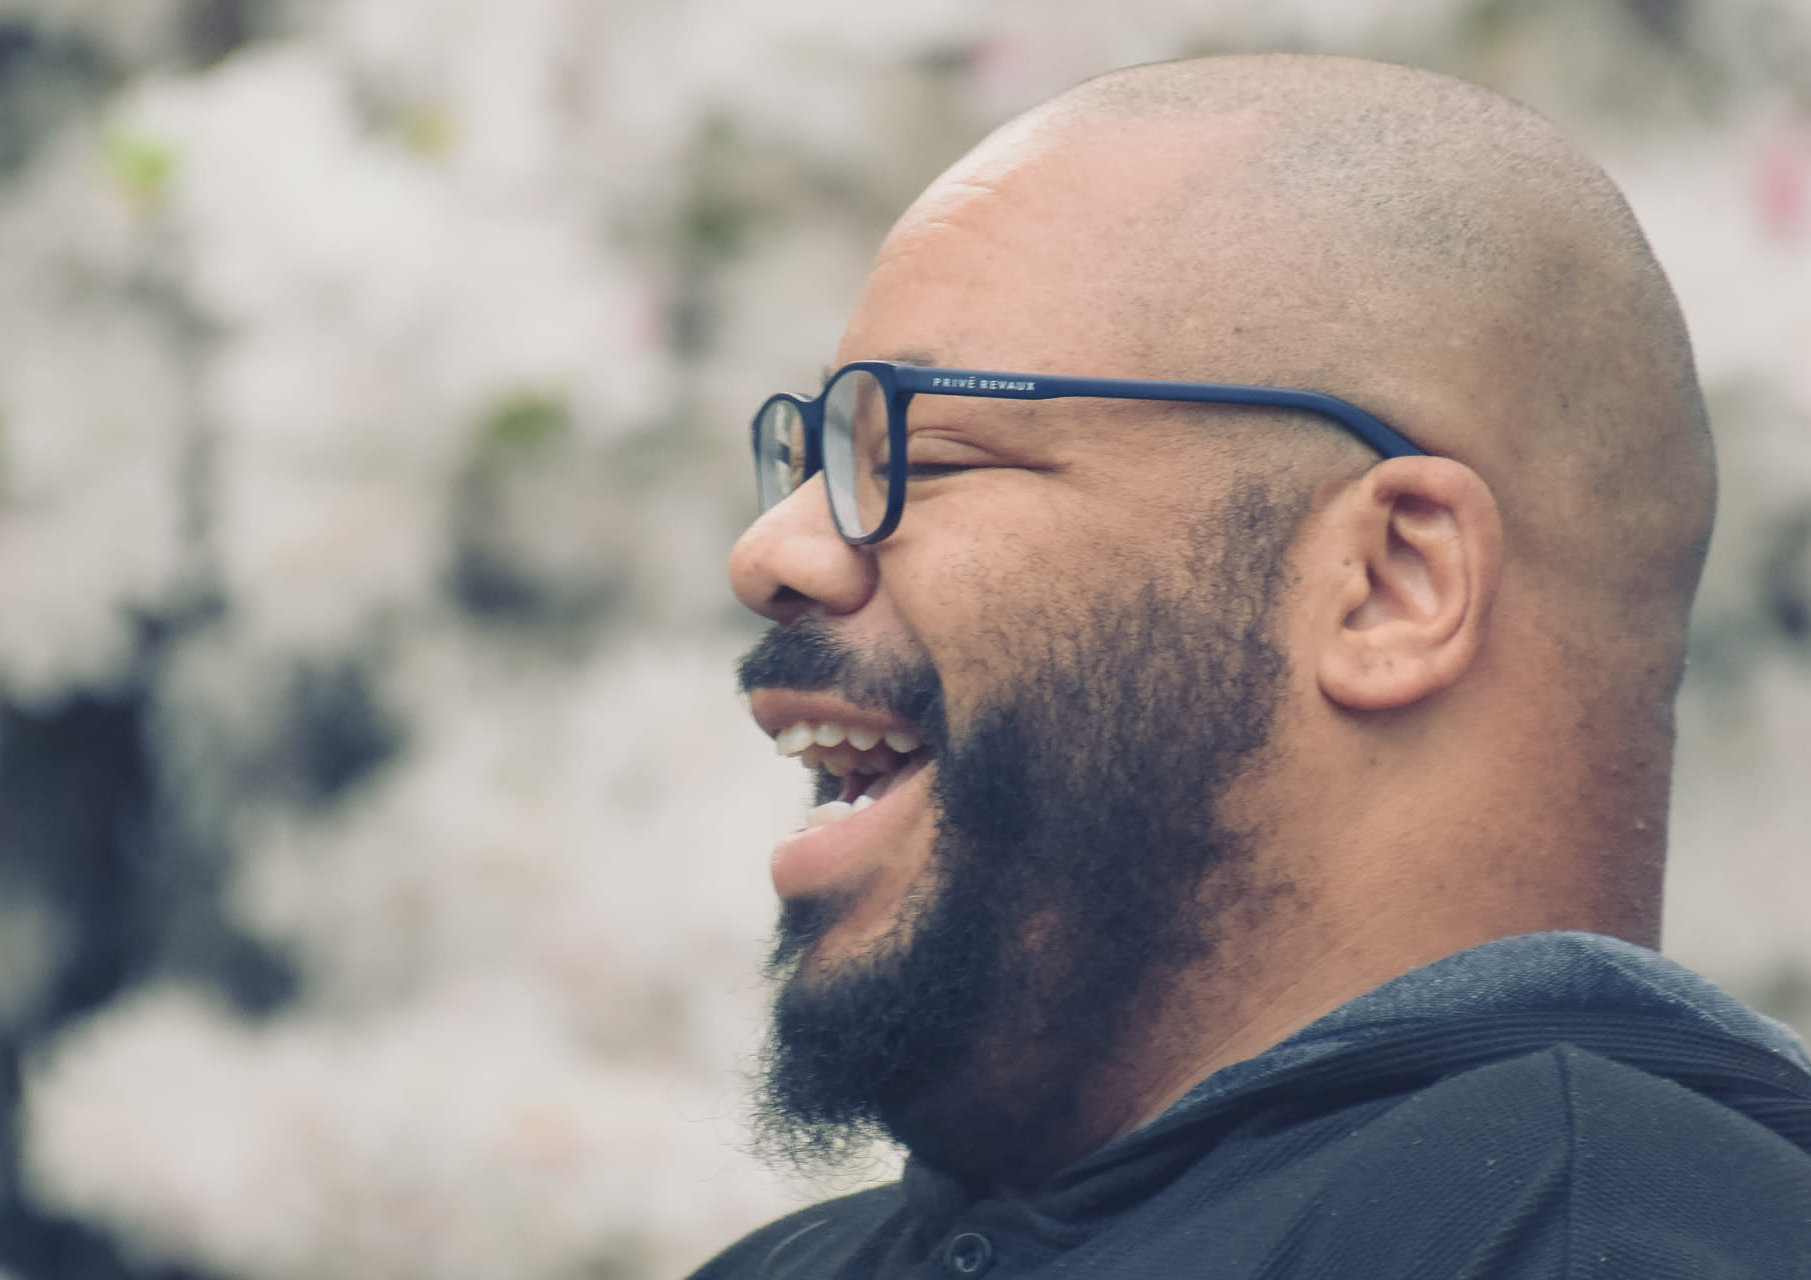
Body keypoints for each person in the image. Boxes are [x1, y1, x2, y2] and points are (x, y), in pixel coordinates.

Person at [699, 54, 1811, 1278]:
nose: (773, 549)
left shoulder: (1572, 1230)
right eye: (807, 462)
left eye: (937, 452)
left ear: (1392, 582)